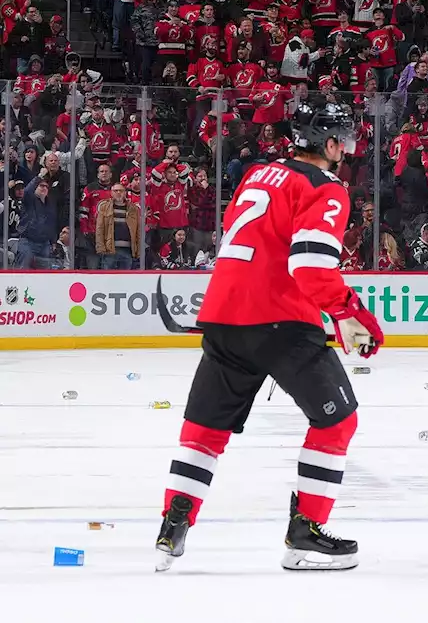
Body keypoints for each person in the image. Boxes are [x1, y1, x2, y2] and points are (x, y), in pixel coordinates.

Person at [155, 101, 384, 573]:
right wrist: (350, 309)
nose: (347, 148)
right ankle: (304, 536)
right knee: (337, 423)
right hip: (280, 321)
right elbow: (310, 266)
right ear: (331, 143)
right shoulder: (326, 187)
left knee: (204, 433)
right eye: (344, 139)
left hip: (222, 313)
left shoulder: (258, 174)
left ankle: (172, 527)